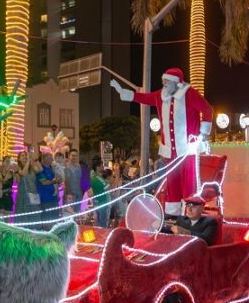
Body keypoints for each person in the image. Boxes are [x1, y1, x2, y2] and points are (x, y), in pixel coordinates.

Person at [110, 67, 213, 215]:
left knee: (189, 184)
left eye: (167, 81)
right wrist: (124, 93)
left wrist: (203, 134)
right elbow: (144, 98)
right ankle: (173, 214)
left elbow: (208, 109)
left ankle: (190, 214)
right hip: (170, 151)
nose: (164, 84)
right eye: (163, 81)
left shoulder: (189, 94)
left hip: (187, 150)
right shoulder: (161, 95)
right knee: (172, 184)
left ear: (176, 83)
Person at [13, 150, 41, 224]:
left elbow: (40, 169)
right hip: (23, 195)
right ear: (18, 159)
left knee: (34, 216)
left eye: (25, 155)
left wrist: (35, 159)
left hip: (33, 193)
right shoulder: (17, 168)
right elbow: (24, 173)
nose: (24, 157)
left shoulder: (31, 168)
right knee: (24, 216)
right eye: (22, 155)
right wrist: (28, 161)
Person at [36, 152, 62, 226]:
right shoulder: (40, 169)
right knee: (47, 222)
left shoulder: (52, 168)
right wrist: (54, 181)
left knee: (55, 221)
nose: (52, 159)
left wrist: (59, 180)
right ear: (44, 158)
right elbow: (44, 182)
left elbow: (56, 181)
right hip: (45, 200)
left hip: (54, 199)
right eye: (49, 157)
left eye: (52, 157)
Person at [90, 158, 111, 227]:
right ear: (97, 167)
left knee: (99, 223)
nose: (103, 167)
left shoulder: (94, 178)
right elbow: (109, 188)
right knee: (103, 224)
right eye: (102, 166)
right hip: (103, 203)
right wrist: (117, 176)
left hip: (97, 203)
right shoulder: (98, 178)